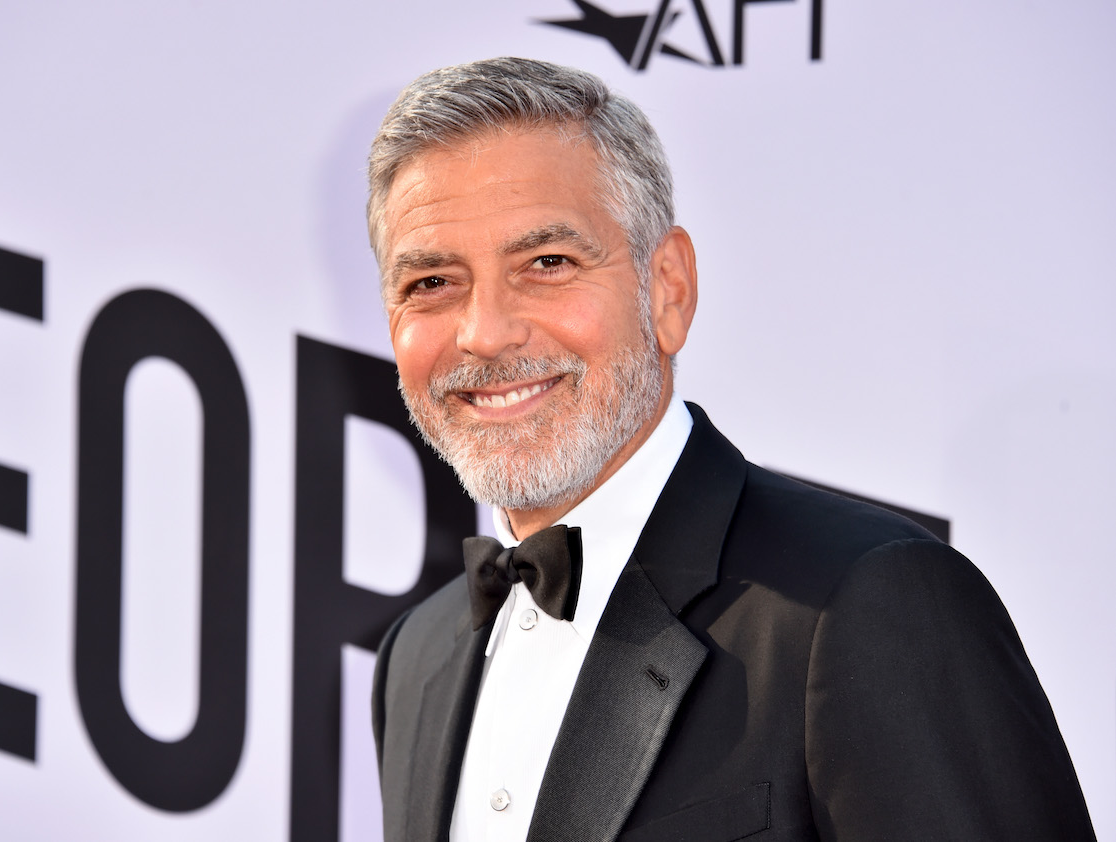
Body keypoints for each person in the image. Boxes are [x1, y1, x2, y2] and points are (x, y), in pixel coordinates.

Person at [366, 56, 1094, 841]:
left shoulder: (865, 602)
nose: (483, 332)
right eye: (432, 283)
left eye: (547, 264)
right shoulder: (417, 658)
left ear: (667, 289)